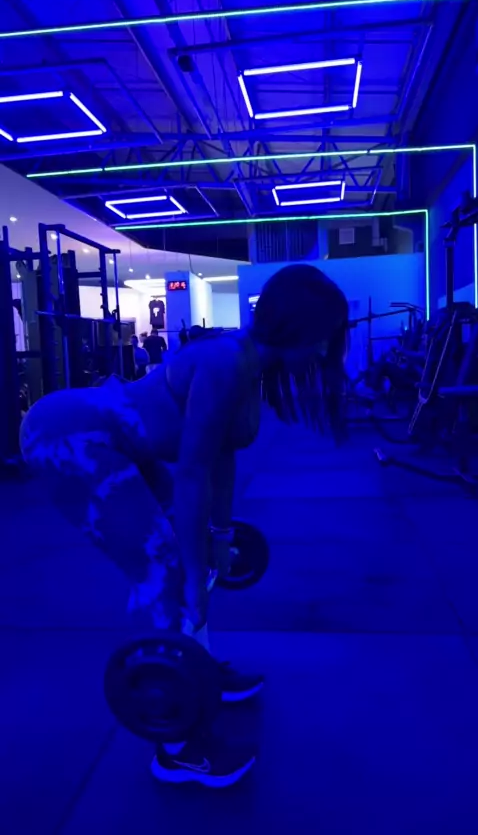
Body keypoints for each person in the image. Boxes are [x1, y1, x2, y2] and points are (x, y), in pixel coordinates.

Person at [19, 265, 348, 788]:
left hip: (125, 442)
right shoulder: (225, 363)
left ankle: (196, 671)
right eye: (324, 337)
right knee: (163, 569)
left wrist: (219, 538)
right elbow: (193, 472)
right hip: (69, 434)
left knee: (185, 558)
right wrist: (195, 573)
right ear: (298, 327)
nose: (326, 351)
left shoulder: (247, 365)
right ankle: (175, 747)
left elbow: (222, 457)